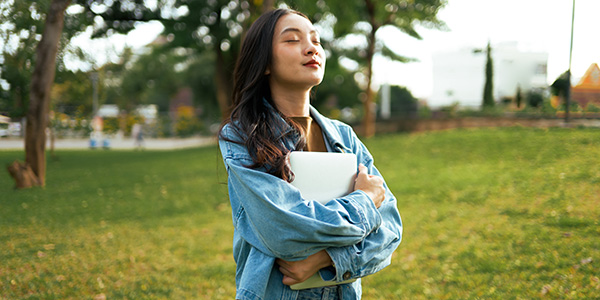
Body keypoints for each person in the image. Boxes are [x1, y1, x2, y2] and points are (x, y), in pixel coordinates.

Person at [218, 8, 402, 300]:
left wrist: (326, 260)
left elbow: (390, 230)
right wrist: (365, 201)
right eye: (292, 40)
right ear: (264, 62)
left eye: (316, 40)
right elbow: (283, 228)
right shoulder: (242, 137)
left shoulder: (344, 137)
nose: (311, 48)